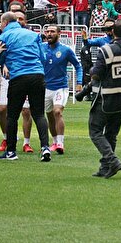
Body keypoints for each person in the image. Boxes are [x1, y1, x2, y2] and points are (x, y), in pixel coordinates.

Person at [0, 12, 50, 161]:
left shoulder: (4, 36)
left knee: (12, 116)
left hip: (18, 76)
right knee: (39, 114)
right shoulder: (33, 34)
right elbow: (43, 57)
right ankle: (45, 148)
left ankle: (11, 151)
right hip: (37, 75)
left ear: (4, 23)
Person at [83, 19, 121, 175]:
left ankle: (112, 160)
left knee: (95, 131)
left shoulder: (106, 50)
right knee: (111, 133)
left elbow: (96, 74)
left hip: (107, 97)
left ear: (113, 32)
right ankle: (105, 167)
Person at [42, 24, 82, 155]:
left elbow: (78, 65)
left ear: (59, 33)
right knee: (49, 115)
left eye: (52, 32)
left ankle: (60, 142)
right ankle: (54, 142)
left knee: (57, 111)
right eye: (47, 31)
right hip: (45, 88)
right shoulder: (41, 48)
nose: (49, 34)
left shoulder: (66, 50)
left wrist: (79, 82)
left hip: (61, 87)